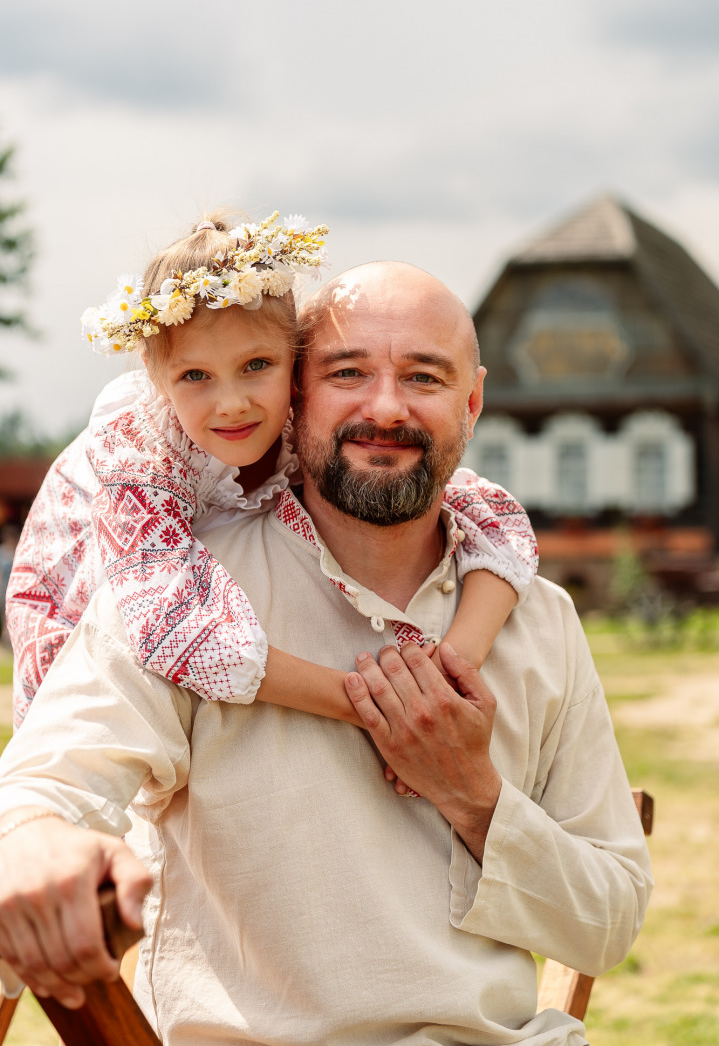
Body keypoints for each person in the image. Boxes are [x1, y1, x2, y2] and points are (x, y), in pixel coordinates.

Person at [0, 261, 652, 1046]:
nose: (385, 407)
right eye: (348, 373)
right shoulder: (182, 596)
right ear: (298, 394)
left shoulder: (538, 618)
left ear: (471, 401)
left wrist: (474, 796)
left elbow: (608, 926)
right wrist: (35, 843)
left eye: (424, 376)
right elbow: (47, 784)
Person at [6, 212, 535, 739]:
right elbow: (173, 629)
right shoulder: (141, 452)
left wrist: (452, 666)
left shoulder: (305, 426)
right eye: (195, 376)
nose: (232, 404)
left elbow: (497, 516)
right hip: (80, 620)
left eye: (257, 365)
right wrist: (379, 711)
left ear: (298, 362)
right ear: (155, 376)